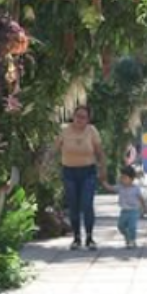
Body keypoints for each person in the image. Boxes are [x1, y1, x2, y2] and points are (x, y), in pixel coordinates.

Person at [56, 105, 109, 251]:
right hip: (69, 172)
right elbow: (55, 148)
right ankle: (76, 238)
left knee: (87, 204)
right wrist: (46, 163)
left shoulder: (92, 131)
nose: (79, 119)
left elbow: (99, 152)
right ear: (73, 116)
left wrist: (103, 169)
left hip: (88, 172)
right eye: (77, 116)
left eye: (83, 117)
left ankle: (90, 237)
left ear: (88, 119)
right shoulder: (64, 130)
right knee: (73, 205)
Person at [114, 166, 146, 249]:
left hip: (134, 211)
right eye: (121, 177)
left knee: (132, 226)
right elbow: (111, 188)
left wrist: (144, 207)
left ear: (131, 179)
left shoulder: (136, 188)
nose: (122, 179)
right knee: (120, 226)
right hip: (124, 211)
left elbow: (141, 198)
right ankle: (127, 236)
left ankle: (132, 240)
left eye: (124, 178)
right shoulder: (120, 187)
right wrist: (104, 183)